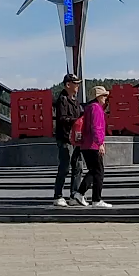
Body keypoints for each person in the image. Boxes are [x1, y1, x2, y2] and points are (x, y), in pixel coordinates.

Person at [75, 84, 112, 208]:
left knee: (93, 171)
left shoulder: (89, 107)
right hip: (93, 145)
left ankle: (80, 193)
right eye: (104, 96)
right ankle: (96, 199)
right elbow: (96, 127)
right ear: (98, 97)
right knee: (99, 171)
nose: (105, 98)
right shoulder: (96, 108)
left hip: (86, 145)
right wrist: (100, 143)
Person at [51, 73, 84, 207]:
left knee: (78, 167)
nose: (77, 86)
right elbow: (62, 118)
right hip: (65, 138)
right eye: (75, 83)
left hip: (76, 139)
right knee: (65, 167)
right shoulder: (62, 99)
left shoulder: (75, 101)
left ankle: (74, 195)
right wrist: (75, 121)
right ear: (68, 85)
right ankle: (58, 195)